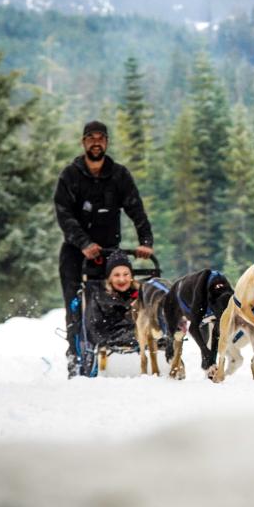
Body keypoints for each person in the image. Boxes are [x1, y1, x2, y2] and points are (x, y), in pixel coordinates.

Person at [54, 120, 153, 377]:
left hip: (110, 253)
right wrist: (84, 243)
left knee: (116, 299)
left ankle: (121, 346)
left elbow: (135, 208)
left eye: (101, 138)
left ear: (107, 142)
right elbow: (64, 215)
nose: (96, 142)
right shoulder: (70, 175)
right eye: (90, 138)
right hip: (76, 253)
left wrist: (146, 242)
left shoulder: (119, 175)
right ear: (83, 142)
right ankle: (76, 358)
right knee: (76, 305)